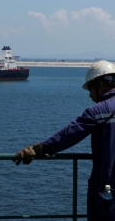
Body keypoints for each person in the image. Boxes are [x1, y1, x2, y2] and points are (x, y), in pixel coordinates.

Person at [13, 60, 115, 221]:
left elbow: (69, 134)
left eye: (90, 88)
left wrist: (37, 149)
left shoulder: (98, 111)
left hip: (108, 186)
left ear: (100, 84)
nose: (89, 95)